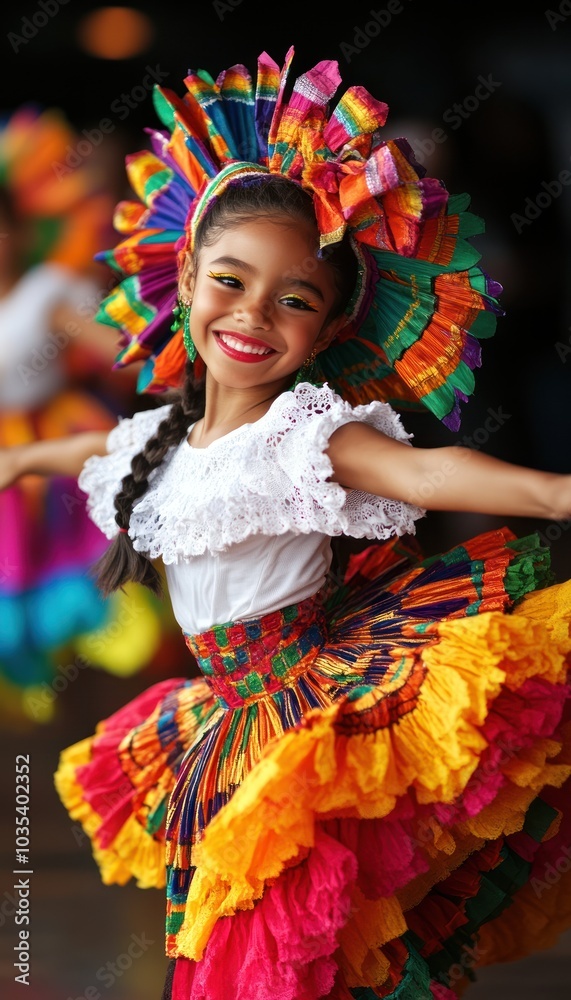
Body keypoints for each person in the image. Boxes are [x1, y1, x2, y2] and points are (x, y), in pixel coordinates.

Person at [1, 49, 570, 998]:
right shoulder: (160, 439)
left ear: (329, 328)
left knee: (280, 955)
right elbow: (96, 448)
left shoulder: (302, 436)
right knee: (242, 946)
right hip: (222, 722)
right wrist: (21, 459)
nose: (252, 314)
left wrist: (554, 494)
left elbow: (423, 471)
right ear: (188, 274)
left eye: (293, 299)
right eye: (230, 280)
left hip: (304, 723)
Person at [0, 105, 166, 720]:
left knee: (105, 593)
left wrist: (187, 379)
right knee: (27, 614)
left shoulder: (45, 292)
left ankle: (123, 721)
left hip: (61, 444)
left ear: (18, 229)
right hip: (8, 468)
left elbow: (124, 354)